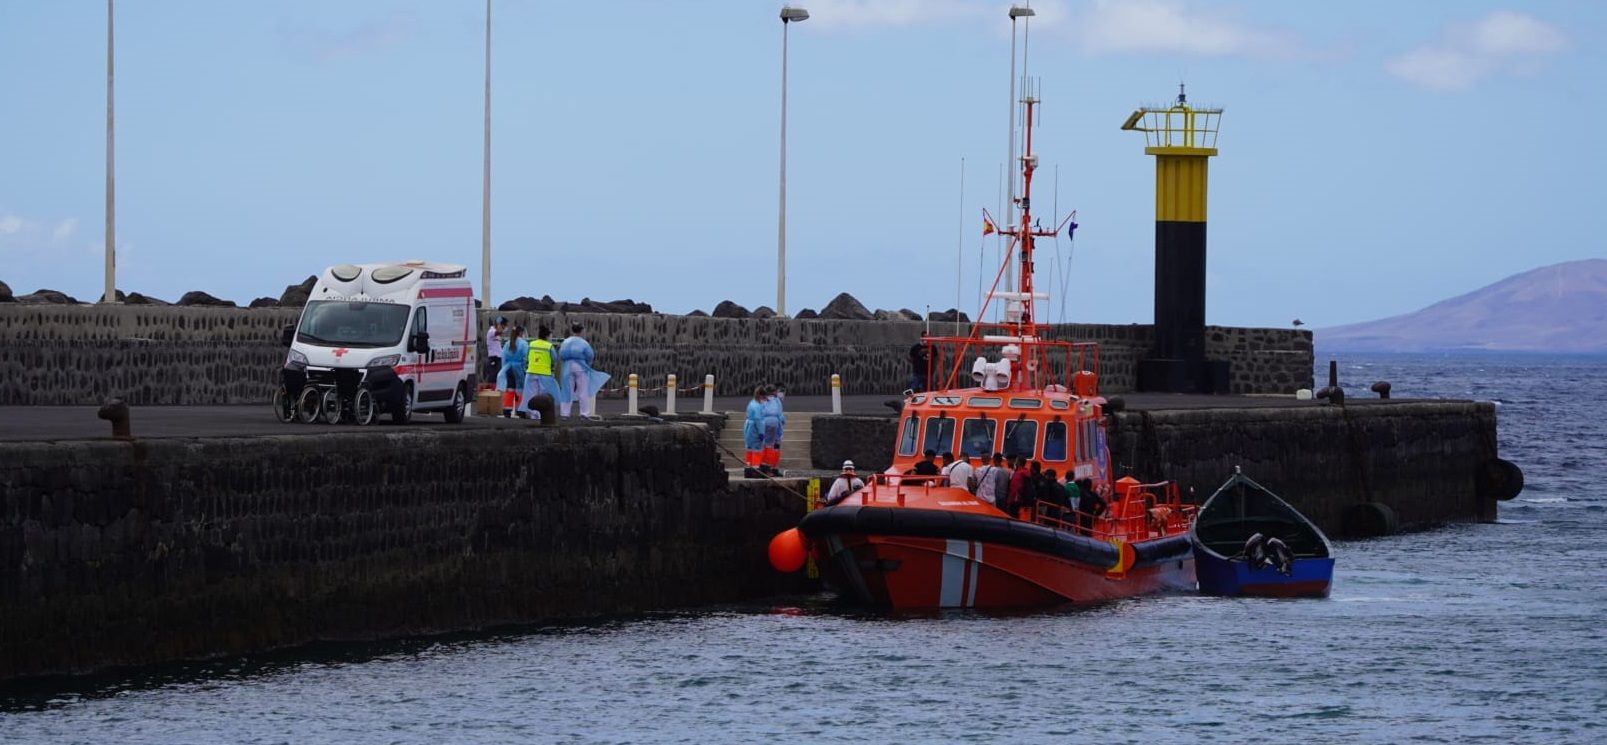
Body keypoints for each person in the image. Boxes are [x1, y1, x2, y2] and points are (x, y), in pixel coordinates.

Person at [558, 323, 610, 419]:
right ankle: (584, 413)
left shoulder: (565, 341)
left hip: (567, 367)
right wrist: (587, 364)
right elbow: (590, 355)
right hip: (580, 366)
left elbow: (561, 354)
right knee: (583, 391)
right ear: (581, 331)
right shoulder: (584, 343)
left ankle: (564, 414)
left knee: (566, 390)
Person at [521, 325, 562, 420]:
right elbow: (555, 359)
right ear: (547, 336)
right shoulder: (549, 346)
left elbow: (526, 357)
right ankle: (541, 414)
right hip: (545, 374)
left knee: (531, 394)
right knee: (543, 395)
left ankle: (532, 413)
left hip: (531, 372)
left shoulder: (531, 344)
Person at [499, 326, 528, 417]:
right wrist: (525, 368)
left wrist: (504, 368)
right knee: (520, 390)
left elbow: (503, 357)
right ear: (521, 333)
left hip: (508, 368)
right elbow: (526, 357)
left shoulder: (508, 343)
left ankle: (507, 410)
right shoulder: (524, 344)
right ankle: (520, 410)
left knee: (509, 389)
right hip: (519, 368)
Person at [758, 384, 787, 476]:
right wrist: (782, 422)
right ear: (775, 392)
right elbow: (780, 415)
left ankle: (764, 467)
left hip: (763, 423)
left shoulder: (762, 400)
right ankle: (773, 468)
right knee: (774, 446)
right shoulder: (777, 400)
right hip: (774, 423)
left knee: (765, 445)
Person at [742, 386, 768, 478]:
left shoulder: (751, 403)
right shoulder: (757, 406)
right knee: (757, 449)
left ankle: (748, 469)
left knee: (749, 449)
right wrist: (761, 433)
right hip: (754, 429)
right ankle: (756, 469)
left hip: (748, 427)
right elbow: (759, 420)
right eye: (764, 397)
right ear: (761, 396)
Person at [484, 316, 506, 385]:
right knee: (493, 375)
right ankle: (491, 391)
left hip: (499, 357)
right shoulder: (491, 331)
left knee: (499, 375)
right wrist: (502, 327)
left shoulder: (497, 335)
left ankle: (497, 390)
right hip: (493, 358)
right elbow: (498, 332)